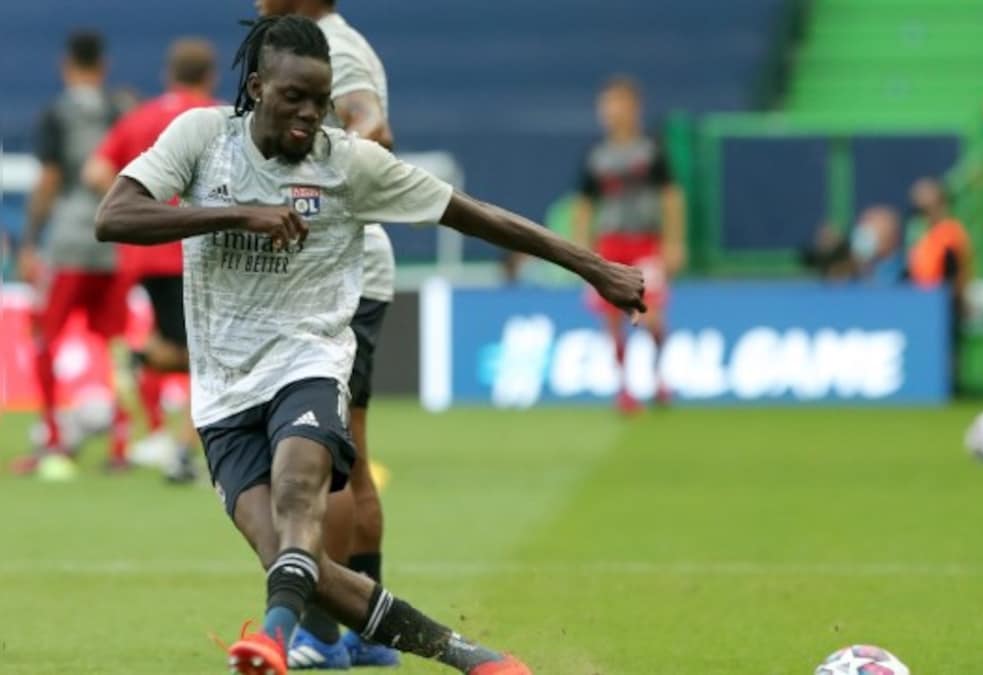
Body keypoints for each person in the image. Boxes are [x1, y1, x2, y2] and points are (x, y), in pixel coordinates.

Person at [94, 15, 644, 675]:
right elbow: (114, 216)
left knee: (302, 496)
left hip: (309, 359)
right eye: (293, 96)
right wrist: (240, 213)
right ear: (257, 85)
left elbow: (477, 214)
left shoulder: (347, 164)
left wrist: (593, 266)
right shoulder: (202, 138)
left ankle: (270, 639)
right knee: (299, 567)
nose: (308, 114)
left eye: (320, 100)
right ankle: (476, 657)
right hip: (222, 393)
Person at [252, 0, 400, 667]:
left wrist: (322, 181)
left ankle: (323, 633)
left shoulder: (333, 49)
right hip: (345, 279)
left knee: (321, 467)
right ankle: (368, 632)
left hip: (339, 283)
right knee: (351, 462)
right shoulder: (326, 41)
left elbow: (372, 124)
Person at [83, 38, 221, 484]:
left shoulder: (139, 118)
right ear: (210, 76)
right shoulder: (217, 119)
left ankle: (137, 360)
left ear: (168, 74)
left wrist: (140, 212)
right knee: (212, 359)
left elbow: (96, 173)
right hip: (195, 254)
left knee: (190, 354)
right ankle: (182, 455)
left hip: (144, 254)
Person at [13, 30, 130, 475]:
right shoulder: (120, 110)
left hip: (68, 245)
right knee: (117, 346)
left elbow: (47, 183)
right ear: (103, 67)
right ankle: (121, 445)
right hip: (115, 243)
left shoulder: (57, 114)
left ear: (67, 66)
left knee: (46, 341)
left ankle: (56, 440)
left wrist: (29, 243)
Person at [573, 76, 685, 414]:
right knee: (611, 320)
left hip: (646, 243)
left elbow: (671, 196)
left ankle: (658, 374)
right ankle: (623, 389)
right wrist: (580, 251)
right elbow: (585, 205)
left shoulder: (651, 151)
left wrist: (675, 242)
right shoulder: (597, 156)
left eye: (617, 104)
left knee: (652, 318)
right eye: (606, 105)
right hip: (610, 244)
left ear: (634, 108)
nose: (610, 112)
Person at [906, 178, 972, 393]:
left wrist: (958, 298)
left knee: (945, 350)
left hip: (944, 301)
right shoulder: (922, 233)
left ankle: (948, 389)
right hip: (922, 301)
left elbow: (956, 271)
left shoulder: (950, 232)